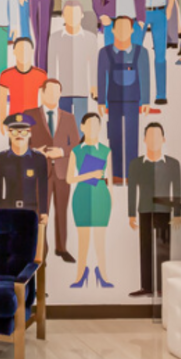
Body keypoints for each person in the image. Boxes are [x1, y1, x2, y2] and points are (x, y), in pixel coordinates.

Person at [24, 81, 80, 263]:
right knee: (41, 213)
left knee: (61, 210)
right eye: (50, 92)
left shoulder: (69, 117)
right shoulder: (30, 115)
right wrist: (34, 151)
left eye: (57, 92)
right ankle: (42, 251)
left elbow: (76, 145)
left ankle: (61, 248)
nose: (54, 96)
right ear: (42, 93)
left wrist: (62, 152)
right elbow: (20, 142)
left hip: (63, 172)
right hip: (41, 172)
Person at [127, 123, 181, 298]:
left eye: (157, 136)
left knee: (163, 249)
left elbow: (178, 189)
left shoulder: (172, 164)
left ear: (163, 139)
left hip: (164, 210)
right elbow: (132, 190)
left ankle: (162, 286)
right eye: (149, 136)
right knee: (145, 248)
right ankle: (146, 286)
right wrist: (131, 214)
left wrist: (178, 213)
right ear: (144, 139)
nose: (153, 140)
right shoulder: (136, 164)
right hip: (144, 209)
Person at [97, 17, 152, 185]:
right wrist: (101, 101)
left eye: (125, 27)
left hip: (133, 101)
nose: (121, 31)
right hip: (112, 101)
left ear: (132, 30)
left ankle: (131, 175)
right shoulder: (105, 52)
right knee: (114, 137)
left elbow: (145, 77)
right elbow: (101, 77)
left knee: (132, 137)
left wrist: (146, 101)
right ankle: (117, 175)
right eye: (118, 27)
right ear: (112, 30)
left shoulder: (141, 52)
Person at [68, 113, 113, 289]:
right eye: (90, 124)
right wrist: (89, 175)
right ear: (82, 127)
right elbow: (70, 179)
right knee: (83, 239)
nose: (94, 128)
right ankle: (80, 274)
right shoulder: (76, 151)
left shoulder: (105, 151)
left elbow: (109, 179)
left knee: (100, 239)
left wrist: (111, 200)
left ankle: (103, 274)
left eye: (97, 124)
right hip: (82, 195)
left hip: (101, 194)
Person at [134, 0, 177, 106]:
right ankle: (136, 93)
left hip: (159, 13)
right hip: (141, 14)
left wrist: (169, 10)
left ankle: (161, 94)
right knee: (136, 53)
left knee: (160, 55)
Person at [48, 2, 98, 128]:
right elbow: (52, 63)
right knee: (64, 127)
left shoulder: (90, 38)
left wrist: (94, 86)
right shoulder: (55, 37)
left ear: (81, 15)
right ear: (63, 16)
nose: (72, 17)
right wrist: (52, 87)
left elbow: (94, 64)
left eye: (75, 13)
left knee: (81, 126)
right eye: (68, 14)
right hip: (63, 91)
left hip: (82, 90)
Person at [0, 114, 50, 225]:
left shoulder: (39, 159)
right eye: (14, 131)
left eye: (23, 131)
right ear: (9, 133)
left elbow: (43, 187)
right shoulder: (0, 158)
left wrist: (43, 212)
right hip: (8, 210)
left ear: (29, 133)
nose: (19, 135)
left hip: (30, 210)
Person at [0, 37, 48, 122]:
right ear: (14, 51)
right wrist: (2, 122)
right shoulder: (6, 75)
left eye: (27, 50)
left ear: (32, 51)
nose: (23, 53)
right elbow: (2, 103)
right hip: (14, 121)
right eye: (20, 49)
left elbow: (43, 103)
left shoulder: (41, 75)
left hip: (34, 121)